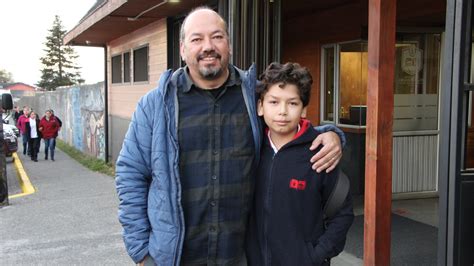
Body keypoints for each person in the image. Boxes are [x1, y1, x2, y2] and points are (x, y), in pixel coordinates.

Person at [115, 7, 345, 265]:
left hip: (240, 256)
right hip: (176, 258)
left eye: (217, 37)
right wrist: (142, 253)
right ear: (182, 49)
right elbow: (130, 174)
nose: (208, 46)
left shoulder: (253, 98)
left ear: (229, 45)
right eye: (197, 39)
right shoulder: (156, 105)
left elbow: (289, 125)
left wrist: (331, 134)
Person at [246, 62, 354, 266]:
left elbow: (343, 214)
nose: (283, 112)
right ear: (260, 107)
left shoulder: (320, 153)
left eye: (293, 103)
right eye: (274, 102)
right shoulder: (252, 149)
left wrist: (316, 255)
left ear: (304, 110)